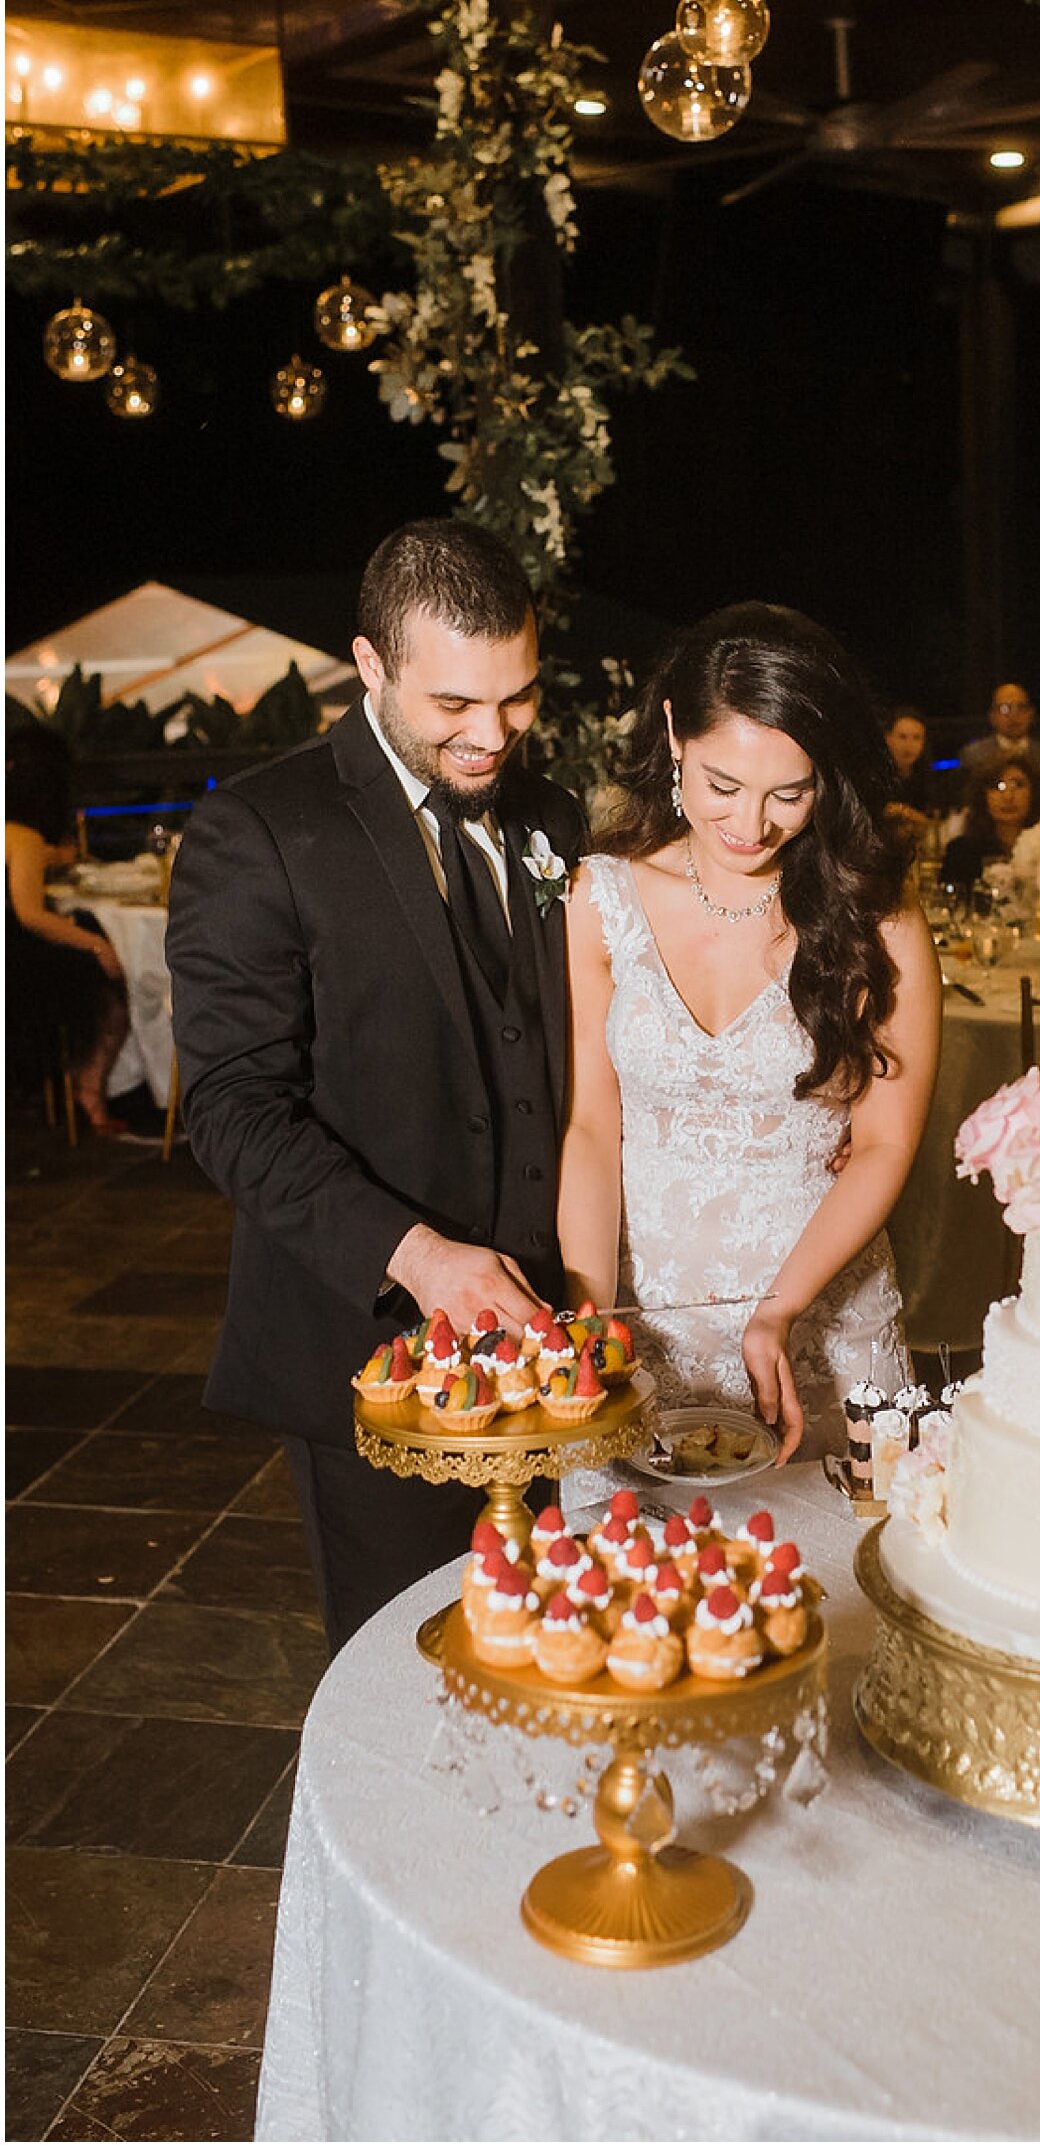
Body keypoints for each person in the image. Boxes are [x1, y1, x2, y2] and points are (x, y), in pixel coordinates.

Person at [167, 520, 590, 1652]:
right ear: (368, 665)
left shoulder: (552, 820)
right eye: (455, 705)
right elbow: (232, 1108)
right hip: (377, 1350)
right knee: (414, 1675)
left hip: (559, 1337)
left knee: (564, 1655)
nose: (492, 735)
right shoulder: (258, 830)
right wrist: (417, 1253)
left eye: (517, 699)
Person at [558, 602, 942, 1463]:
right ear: (673, 737)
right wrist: (588, 1310)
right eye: (721, 786)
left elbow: (883, 1144)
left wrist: (782, 1308)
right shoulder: (602, 898)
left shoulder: (880, 919)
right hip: (644, 1324)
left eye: (789, 793)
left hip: (820, 1320)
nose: (750, 824)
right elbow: (590, 1126)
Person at [5, 724, 130, 1134]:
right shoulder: (19, 835)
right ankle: (89, 1094)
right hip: (18, 966)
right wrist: (96, 945)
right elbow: (30, 915)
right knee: (112, 983)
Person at [940, 755, 1040, 887]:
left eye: (1017, 785)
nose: (1008, 796)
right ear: (983, 796)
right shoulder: (961, 852)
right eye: (997, 787)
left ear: (1034, 792)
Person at [959, 680, 1040, 778]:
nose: (1013, 715)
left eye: (1020, 707)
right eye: (1004, 709)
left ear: (1031, 713)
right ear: (992, 716)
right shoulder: (975, 756)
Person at [882, 704, 938, 849]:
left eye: (916, 738)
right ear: (888, 739)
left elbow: (934, 824)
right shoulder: (874, 777)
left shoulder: (929, 778)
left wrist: (902, 811)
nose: (909, 745)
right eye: (902, 737)